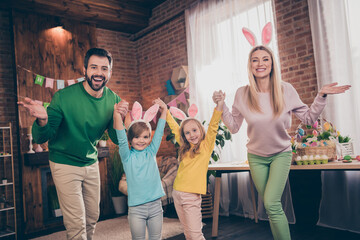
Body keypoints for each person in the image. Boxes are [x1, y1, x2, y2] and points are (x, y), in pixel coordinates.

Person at [213, 45, 351, 240]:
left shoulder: (285, 89)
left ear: (272, 64)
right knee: (273, 207)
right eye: (255, 59)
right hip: (256, 157)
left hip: (281, 154)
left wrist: (321, 95)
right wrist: (222, 107)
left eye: (265, 59)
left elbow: (309, 119)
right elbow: (234, 126)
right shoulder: (242, 93)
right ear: (250, 65)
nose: (260, 63)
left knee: (270, 202)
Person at [18, 48, 129, 240]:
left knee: (92, 216)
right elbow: (42, 137)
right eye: (94, 67)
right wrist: (43, 120)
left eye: (104, 68)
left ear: (110, 72)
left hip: (90, 162)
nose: (99, 73)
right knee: (76, 223)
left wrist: (121, 118)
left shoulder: (113, 99)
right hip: (64, 162)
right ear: (84, 69)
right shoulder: (63, 97)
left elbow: (116, 138)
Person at [166, 101, 223, 240]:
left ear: (201, 130)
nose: (191, 135)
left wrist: (219, 106)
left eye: (194, 130)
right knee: (187, 233)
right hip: (177, 193)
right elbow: (174, 128)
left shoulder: (206, 146)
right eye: (187, 133)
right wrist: (165, 112)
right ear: (184, 136)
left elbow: (214, 126)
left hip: (191, 196)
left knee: (196, 235)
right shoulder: (185, 147)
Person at [113, 98, 167, 240]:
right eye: (136, 137)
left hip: (156, 206)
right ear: (130, 139)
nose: (141, 140)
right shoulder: (127, 156)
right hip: (136, 209)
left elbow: (160, 131)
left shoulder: (151, 151)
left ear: (150, 138)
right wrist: (117, 115)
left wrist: (164, 110)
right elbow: (121, 138)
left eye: (145, 137)